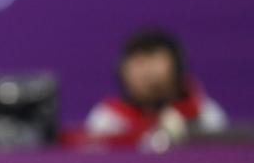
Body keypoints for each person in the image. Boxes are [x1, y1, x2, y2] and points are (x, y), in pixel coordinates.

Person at [85, 29, 227, 149]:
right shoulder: (106, 119)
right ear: (122, 72)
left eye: (156, 60)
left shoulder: (205, 114)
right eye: (139, 63)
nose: (147, 72)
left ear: (177, 68)